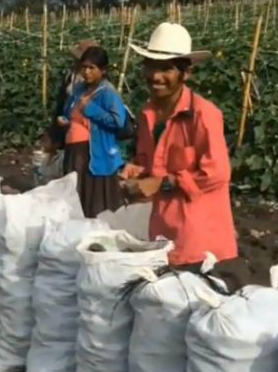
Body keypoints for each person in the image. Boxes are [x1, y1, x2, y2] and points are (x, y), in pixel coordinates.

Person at [123, 22, 237, 268]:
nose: (155, 76)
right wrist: (135, 170)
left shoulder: (204, 114)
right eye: (151, 66)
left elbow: (217, 173)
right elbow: (148, 160)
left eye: (167, 69)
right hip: (162, 226)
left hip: (196, 236)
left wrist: (163, 182)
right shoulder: (147, 113)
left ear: (186, 73)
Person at [57, 46, 127, 218]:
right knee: (76, 194)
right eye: (84, 67)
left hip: (94, 153)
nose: (87, 72)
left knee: (93, 197)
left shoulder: (107, 93)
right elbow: (71, 110)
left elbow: (118, 120)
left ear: (102, 70)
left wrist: (91, 109)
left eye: (92, 68)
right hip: (75, 152)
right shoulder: (79, 89)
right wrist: (65, 120)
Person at [48, 39, 98, 147]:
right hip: (68, 135)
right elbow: (60, 105)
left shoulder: (99, 86)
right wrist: (54, 136)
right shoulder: (71, 77)